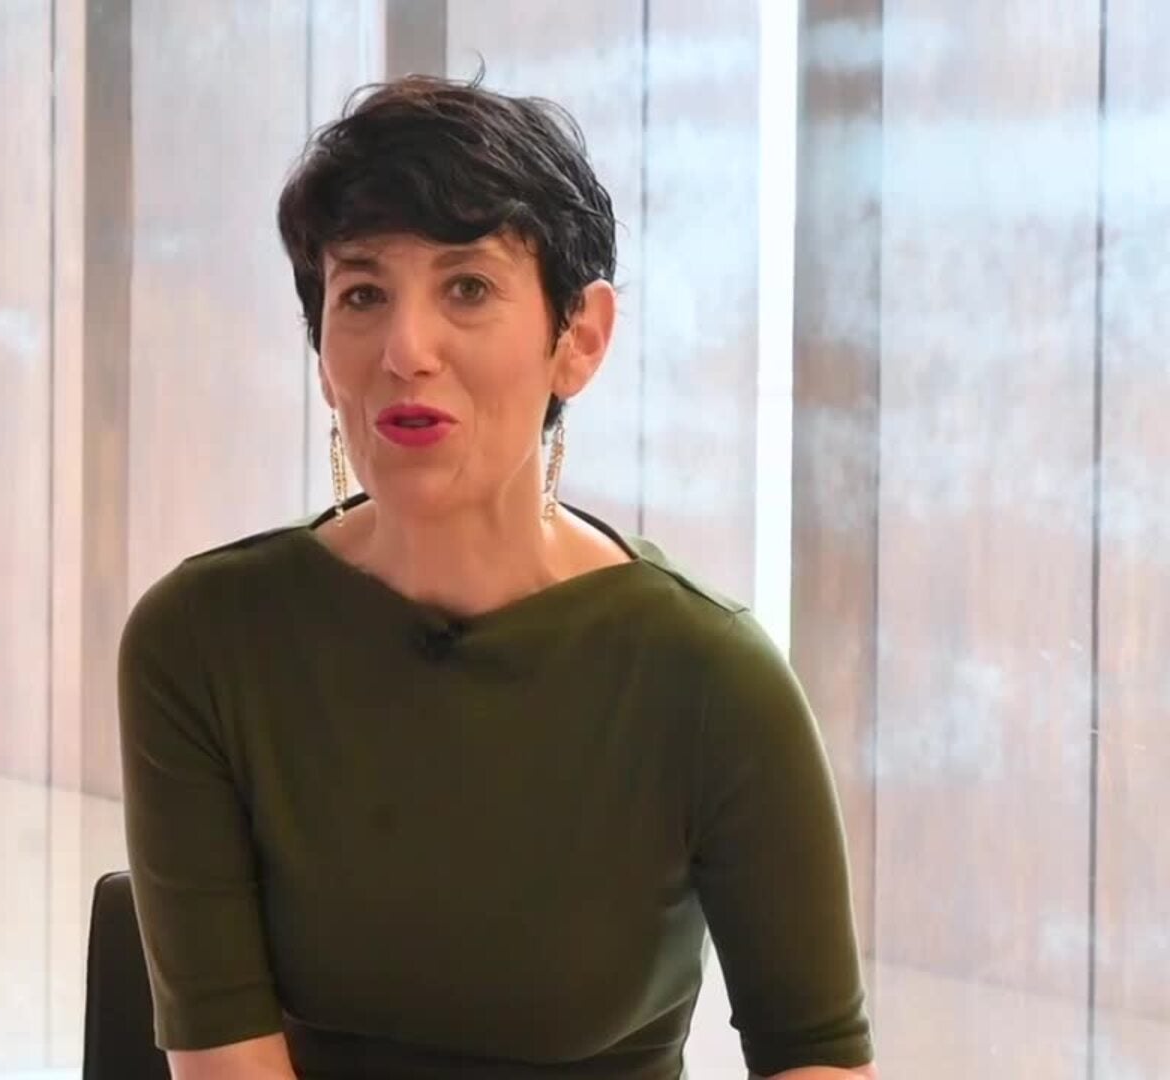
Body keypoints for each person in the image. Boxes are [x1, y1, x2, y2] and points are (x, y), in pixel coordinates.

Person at [117, 75, 877, 1080]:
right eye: (362, 295)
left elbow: (817, 1062)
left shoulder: (710, 677)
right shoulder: (204, 641)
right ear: (322, 354)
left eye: (468, 288)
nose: (406, 350)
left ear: (580, 338)